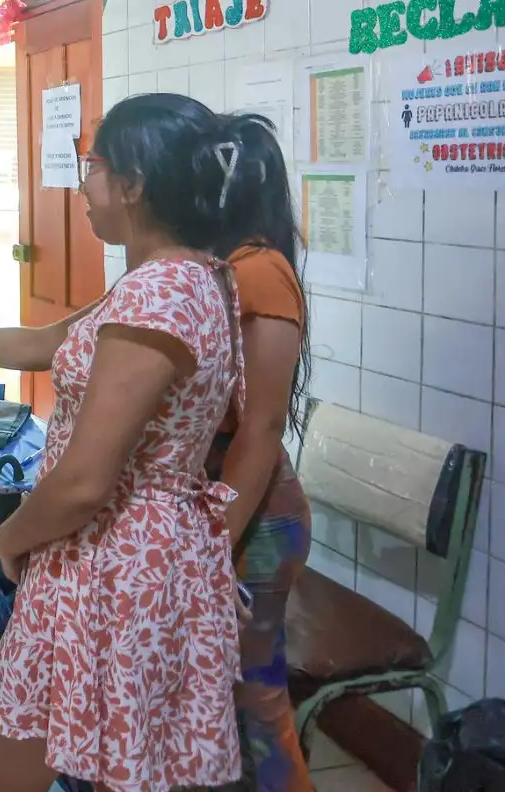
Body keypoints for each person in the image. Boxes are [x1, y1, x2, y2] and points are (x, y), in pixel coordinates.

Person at [0, 92, 247, 792]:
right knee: (105, 760)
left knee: (10, 766)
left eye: (94, 166)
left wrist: (12, 539)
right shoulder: (176, 277)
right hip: (127, 554)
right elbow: (49, 342)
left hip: (113, 559)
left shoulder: (159, 294)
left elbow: (84, 483)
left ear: (133, 185)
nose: (83, 184)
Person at [208, 114, 314, 792]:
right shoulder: (220, 268)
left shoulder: (261, 273)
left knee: (255, 697)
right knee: (226, 702)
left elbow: (262, 428)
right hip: (231, 505)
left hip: (257, 520)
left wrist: (212, 545)